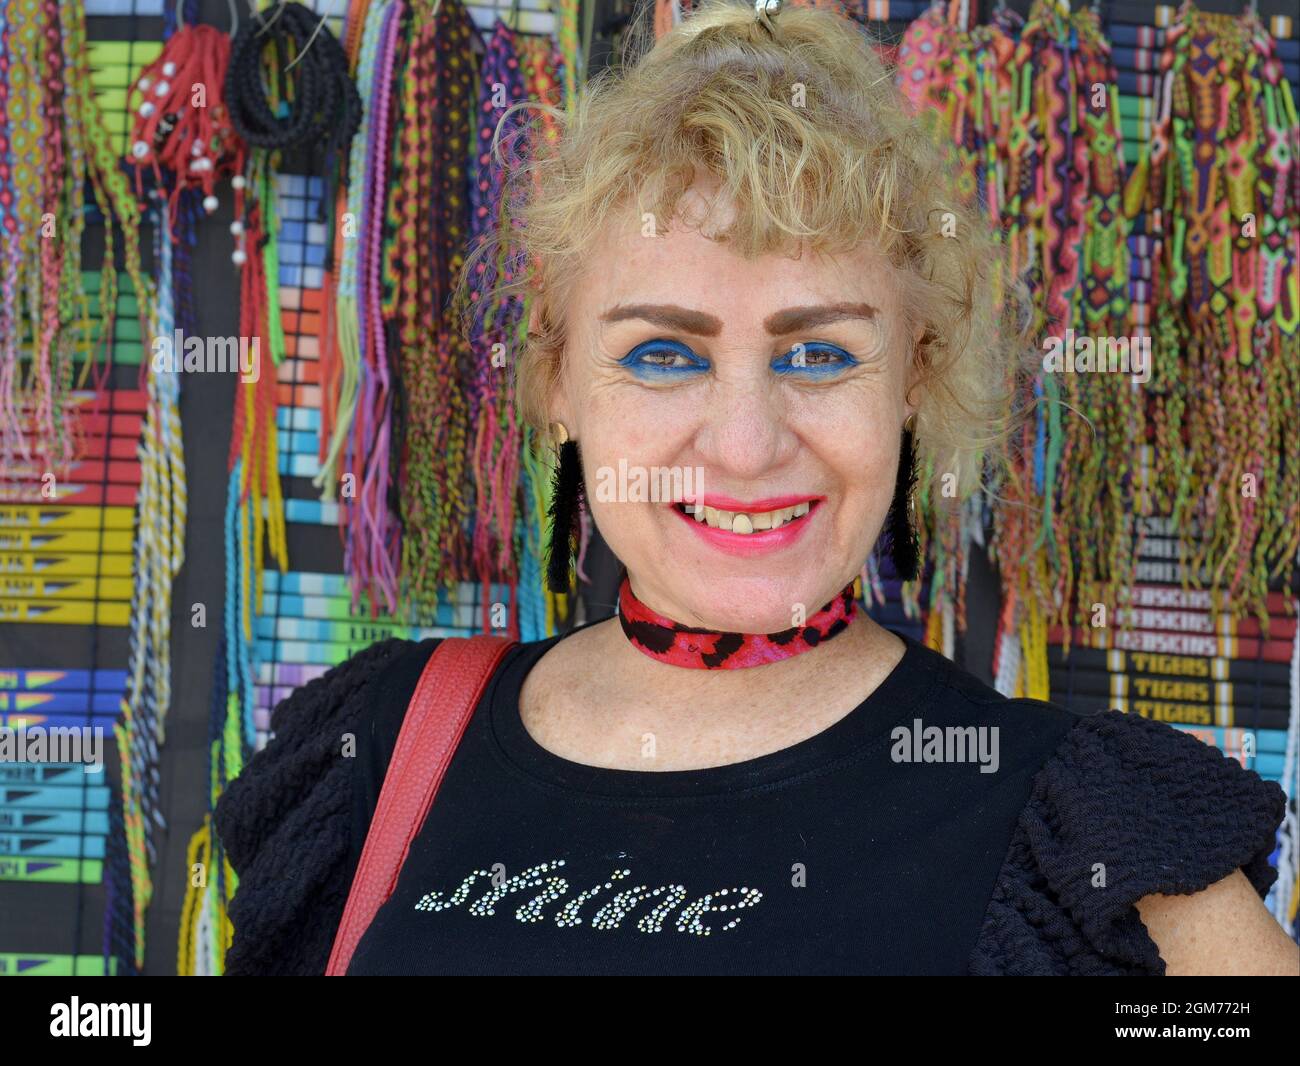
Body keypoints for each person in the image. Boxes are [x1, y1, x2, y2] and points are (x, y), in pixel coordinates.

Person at [214, 0, 1298, 976]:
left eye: (818, 354)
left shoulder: (1085, 842)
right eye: (661, 353)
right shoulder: (382, 745)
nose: (743, 444)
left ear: (912, 380)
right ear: (555, 382)